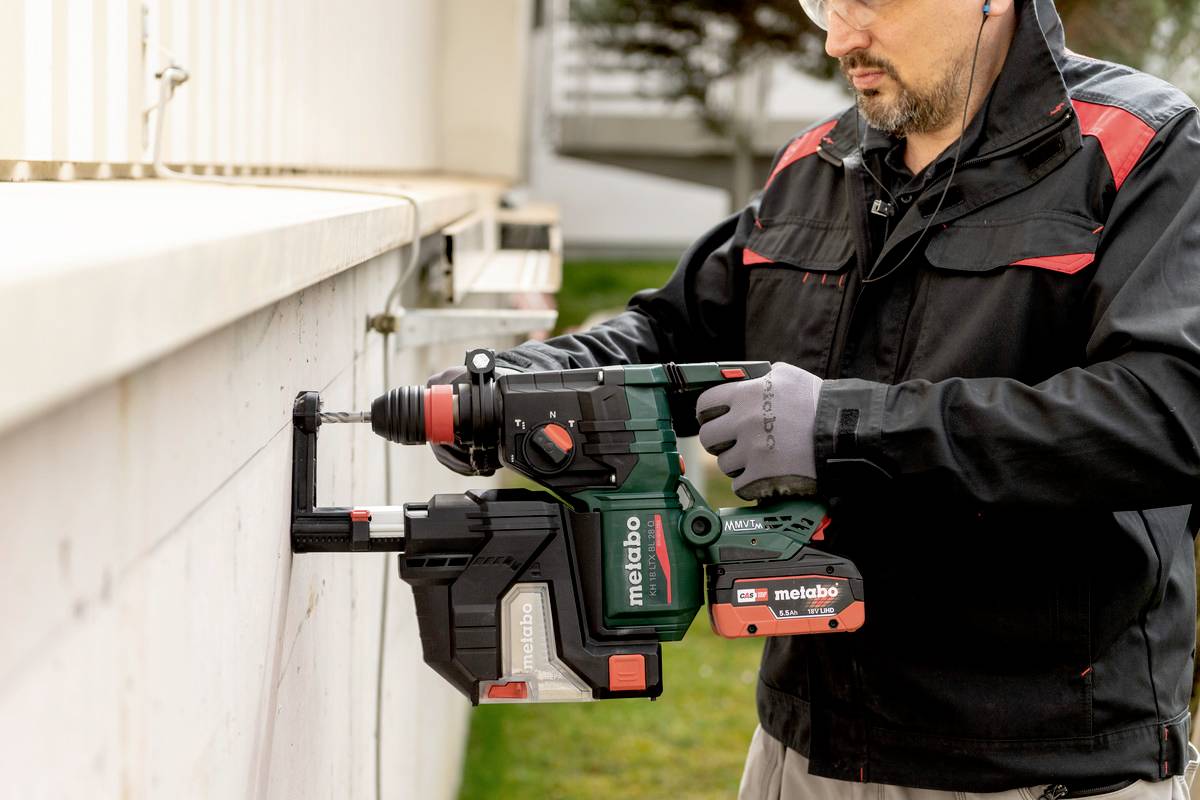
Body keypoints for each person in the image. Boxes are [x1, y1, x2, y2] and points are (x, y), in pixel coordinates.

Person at [433, 0, 1200, 795]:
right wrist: (521, 386)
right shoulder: (817, 164)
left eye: (869, 2)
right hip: (805, 755)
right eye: (822, 3)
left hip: (1039, 767)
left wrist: (841, 429)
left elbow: (1168, 415)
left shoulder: (1142, 149)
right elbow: (670, 336)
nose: (837, 37)